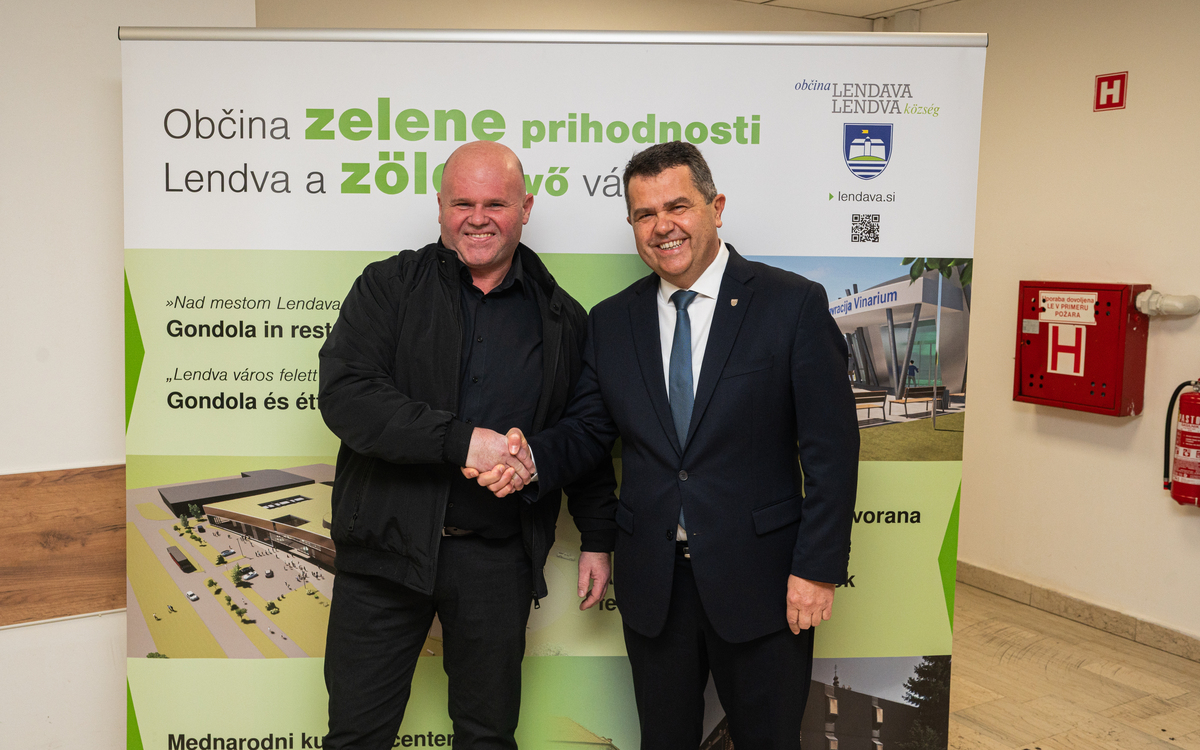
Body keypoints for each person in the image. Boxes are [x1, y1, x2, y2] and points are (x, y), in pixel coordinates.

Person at [476, 142, 859, 749]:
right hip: (655, 586)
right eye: (644, 214)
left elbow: (832, 453)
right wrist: (530, 459)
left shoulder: (791, 305)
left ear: (716, 207)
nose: (662, 226)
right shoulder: (612, 321)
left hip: (762, 584)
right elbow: (588, 430)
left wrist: (816, 569)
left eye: (677, 206)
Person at [317, 140, 617, 750]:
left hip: (495, 562)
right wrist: (464, 444)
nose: (477, 218)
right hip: (383, 553)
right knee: (355, 737)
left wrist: (595, 534)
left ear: (525, 208)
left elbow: (584, 432)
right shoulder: (387, 287)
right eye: (462, 204)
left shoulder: (564, 318)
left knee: (486, 737)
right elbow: (347, 396)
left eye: (495, 204)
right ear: (440, 207)